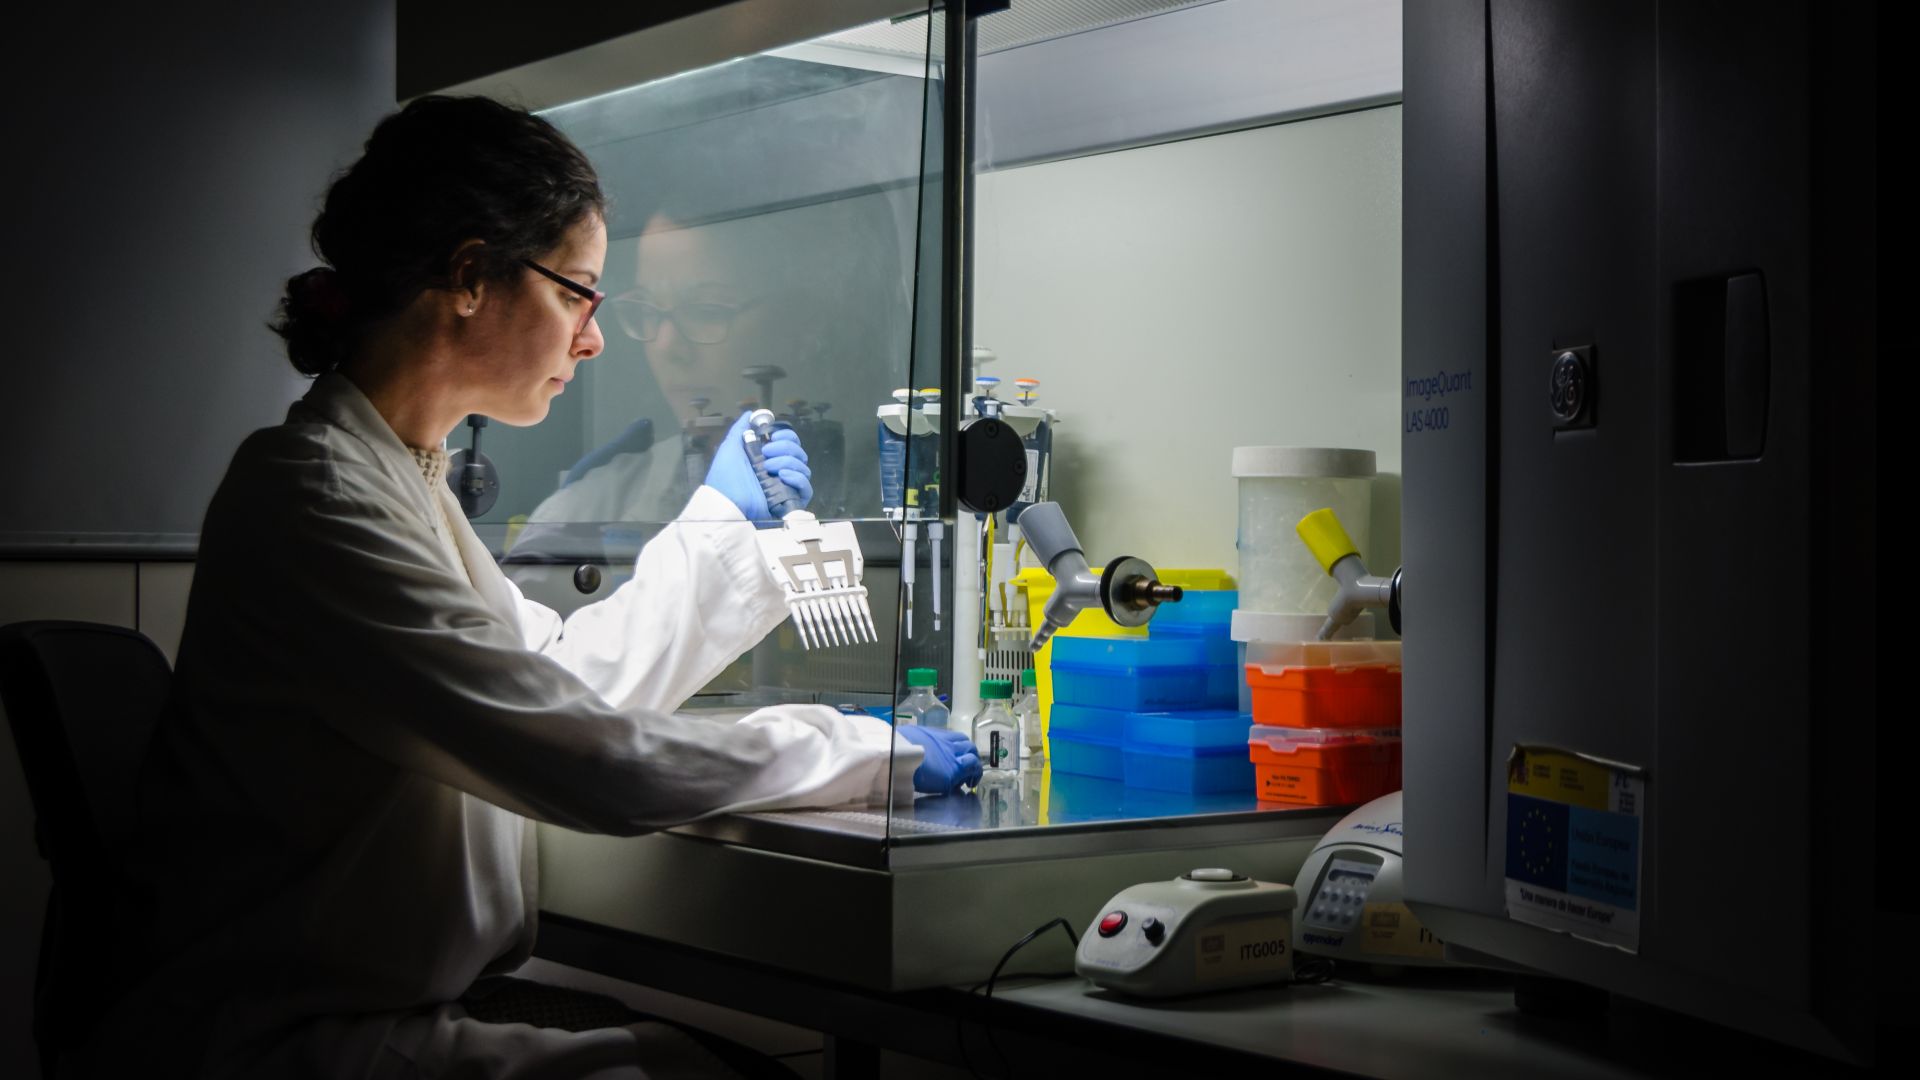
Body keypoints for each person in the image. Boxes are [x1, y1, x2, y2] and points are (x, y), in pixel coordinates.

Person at [77, 95, 981, 1080]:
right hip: (280, 1048)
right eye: (578, 293)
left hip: (347, 1016)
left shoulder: (391, 475)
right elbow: (592, 760)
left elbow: (553, 682)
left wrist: (723, 531)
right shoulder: (315, 497)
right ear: (470, 277)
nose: (594, 339)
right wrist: (863, 749)